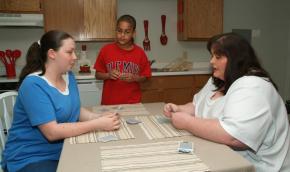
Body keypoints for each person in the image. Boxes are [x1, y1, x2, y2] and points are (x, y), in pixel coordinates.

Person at [163, 33, 290, 172]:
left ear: (236, 59)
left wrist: (187, 122)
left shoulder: (253, 86)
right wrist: (180, 109)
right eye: (212, 56)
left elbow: (235, 136)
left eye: (218, 57)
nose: (211, 61)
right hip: (221, 155)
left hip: (257, 167)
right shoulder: (216, 80)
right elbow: (196, 105)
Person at [1, 30, 120, 172]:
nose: (75, 57)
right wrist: (96, 124)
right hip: (30, 157)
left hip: (63, 149)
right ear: (52, 54)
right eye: (69, 52)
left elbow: (75, 109)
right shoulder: (33, 85)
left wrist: (98, 118)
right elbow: (52, 132)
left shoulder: (68, 76)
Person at [94, 14, 152, 105]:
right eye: (119, 31)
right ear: (116, 30)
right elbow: (97, 75)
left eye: (127, 32)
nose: (122, 35)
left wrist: (135, 78)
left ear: (133, 33)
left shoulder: (140, 53)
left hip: (133, 104)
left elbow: (146, 77)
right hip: (109, 104)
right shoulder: (106, 50)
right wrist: (108, 75)